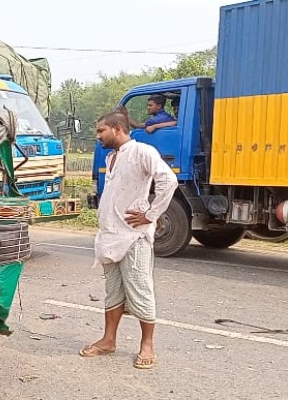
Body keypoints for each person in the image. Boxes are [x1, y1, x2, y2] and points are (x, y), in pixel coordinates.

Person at [79, 111, 178, 369]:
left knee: (140, 290)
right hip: (111, 237)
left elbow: (169, 180)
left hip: (134, 237)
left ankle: (147, 345)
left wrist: (150, 214)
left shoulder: (142, 151)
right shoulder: (112, 157)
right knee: (113, 293)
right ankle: (108, 340)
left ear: (117, 129)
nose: (98, 136)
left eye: (101, 131)